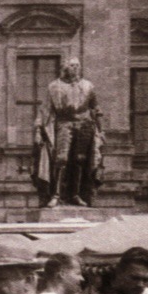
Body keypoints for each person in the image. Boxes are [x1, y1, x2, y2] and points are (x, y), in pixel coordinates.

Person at [33, 59, 103, 207]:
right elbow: (45, 109)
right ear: (64, 67)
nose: (75, 68)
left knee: (80, 159)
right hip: (64, 123)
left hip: (85, 125)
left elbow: (96, 109)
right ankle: (56, 194)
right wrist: (38, 130)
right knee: (61, 158)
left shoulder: (88, 86)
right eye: (72, 65)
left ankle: (76, 194)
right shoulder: (54, 86)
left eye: (78, 65)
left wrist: (101, 131)